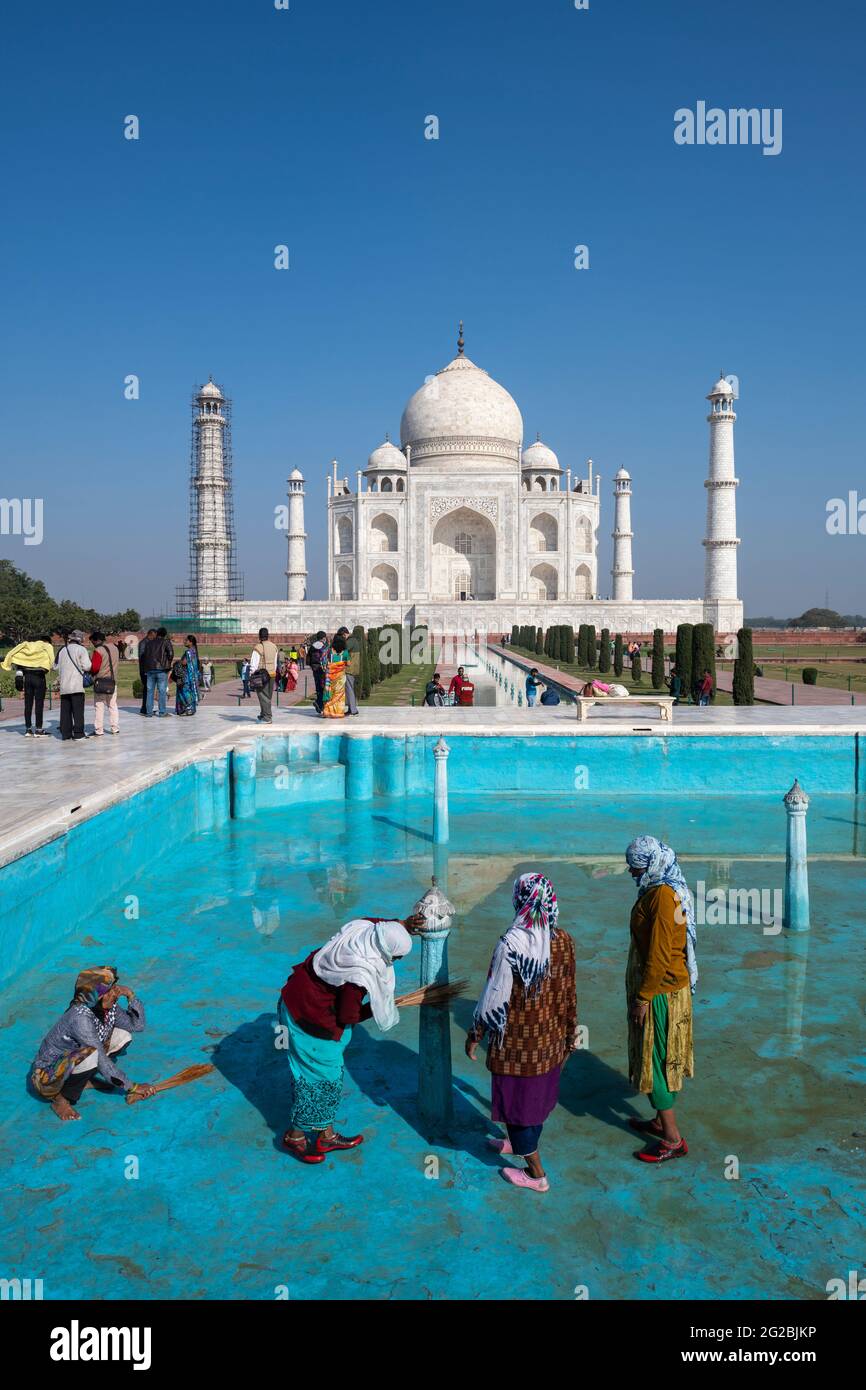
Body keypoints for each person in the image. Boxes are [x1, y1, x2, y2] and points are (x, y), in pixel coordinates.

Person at [278, 913, 423, 1162]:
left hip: (294, 999)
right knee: (322, 1083)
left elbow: (376, 923)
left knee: (313, 1077)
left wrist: (403, 925)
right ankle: (295, 1136)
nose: (395, 961)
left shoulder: (361, 932)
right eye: (396, 957)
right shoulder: (358, 974)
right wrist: (378, 1008)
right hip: (310, 1021)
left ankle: (326, 1135)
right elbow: (348, 1016)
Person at [466, 874, 578, 1194]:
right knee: (535, 1102)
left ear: (520, 900)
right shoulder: (564, 939)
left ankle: (535, 1173)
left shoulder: (511, 945)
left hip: (518, 1046)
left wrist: (475, 1033)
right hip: (551, 1042)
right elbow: (570, 992)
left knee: (518, 1109)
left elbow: (494, 997)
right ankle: (516, 1144)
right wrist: (570, 1036)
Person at [624, 836, 696, 1164]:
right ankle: (659, 1119)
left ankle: (672, 1138)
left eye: (635, 865)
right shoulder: (663, 888)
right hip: (667, 989)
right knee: (667, 1057)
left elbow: (660, 955)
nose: (630, 871)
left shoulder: (663, 898)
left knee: (654, 1063)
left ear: (651, 862)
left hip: (660, 993)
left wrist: (642, 998)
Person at [29, 966, 155, 1122]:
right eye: (109, 991)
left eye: (114, 988)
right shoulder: (80, 1017)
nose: (115, 994)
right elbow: (100, 1058)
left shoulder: (109, 1008)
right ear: (95, 997)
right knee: (94, 1055)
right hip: (47, 1077)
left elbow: (137, 1026)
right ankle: (60, 1099)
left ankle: (81, 1081)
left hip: (75, 1061)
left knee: (123, 1036)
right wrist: (133, 1087)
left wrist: (130, 995)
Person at [2, 634, 54, 736]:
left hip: (28, 678)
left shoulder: (25, 646)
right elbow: (52, 660)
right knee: (39, 704)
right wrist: (51, 667)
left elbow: (12, 653)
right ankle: (39, 730)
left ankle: (28, 729)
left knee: (28, 704)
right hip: (39, 677)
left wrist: (7, 664)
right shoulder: (45, 646)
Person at [54, 630, 92, 741]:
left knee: (65, 711)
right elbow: (87, 666)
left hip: (64, 686)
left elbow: (55, 666)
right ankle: (78, 733)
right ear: (80, 639)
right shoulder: (81, 649)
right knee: (78, 711)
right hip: (77, 685)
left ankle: (66, 734)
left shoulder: (62, 650)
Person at [89, 631, 120, 736]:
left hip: (101, 681)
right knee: (112, 705)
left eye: (92, 641)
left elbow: (95, 668)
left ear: (96, 640)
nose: (92, 643)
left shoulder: (98, 651)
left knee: (99, 705)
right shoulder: (115, 648)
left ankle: (99, 730)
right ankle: (115, 728)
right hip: (113, 681)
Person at [249, 626, 279, 723]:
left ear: (259, 636)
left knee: (263, 696)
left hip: (262, 675)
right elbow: (275, 662)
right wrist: (272, 672)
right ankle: (263, 714)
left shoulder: (258, 647)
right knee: (268, 696)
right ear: (268, 636)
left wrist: (251, 674)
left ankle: (267, 717)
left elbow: (254, 664)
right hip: (272, 674)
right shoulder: (274, 646)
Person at [144, 627, 174, 718]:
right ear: (165, 634)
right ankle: (162, 712)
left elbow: (145, 655)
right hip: (161, 670)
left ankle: (149, 712)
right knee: (162, 691)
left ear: (157, 634)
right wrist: (167, 663)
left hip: (150, 670)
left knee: (150, 691)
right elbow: (171, 654)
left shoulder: (149, 643)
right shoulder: (166, 642)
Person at [321, 633, 350, 718]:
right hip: (340, 677)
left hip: (330, 676)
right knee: (339, 694)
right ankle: (338, 712)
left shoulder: (329, 650)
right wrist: (342, 663)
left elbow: (325, 661)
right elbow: (348, 664)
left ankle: (328, 711)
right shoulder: (345, 652)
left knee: (330, 693)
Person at [174, 635, 201, 716]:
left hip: (187, 676)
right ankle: (190, 708)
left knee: (184, 691)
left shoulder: (188, 652)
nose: (184, 641)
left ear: (191, 642)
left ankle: (188, 708)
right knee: (190, 691)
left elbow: (184, 663)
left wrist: (177, 663)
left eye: (186, 640)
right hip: (193, 676)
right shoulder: (194, 651)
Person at [336, 626, 360, 715]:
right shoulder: (352, 640)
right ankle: (351, 709)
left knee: (349, 688)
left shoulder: (351, 641)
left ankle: (353, 710)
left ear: (344, 634)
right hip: (350, 668)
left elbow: (343, 649)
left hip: (350, 668)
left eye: (342, 636)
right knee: (349, 688)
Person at [308, 631, 328, 713]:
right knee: (324, 687)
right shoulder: (324, 647)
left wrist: (312, 666)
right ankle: (321, 704)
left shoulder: (312, 646)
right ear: (323, 638)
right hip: (322, 669)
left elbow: (308, 658)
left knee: (318, 687)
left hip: (315, 668)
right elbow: (326, 658)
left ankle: (319, 704)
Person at [138, 628, 156, 714]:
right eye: (154, 636)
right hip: (145, 670)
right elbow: (142, 657)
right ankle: (145, 708)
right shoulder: (143, 643)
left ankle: (146, 708)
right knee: (147, 689)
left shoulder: (149, 643)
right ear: (151, 635)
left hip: (148, 669)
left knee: (148, 689)